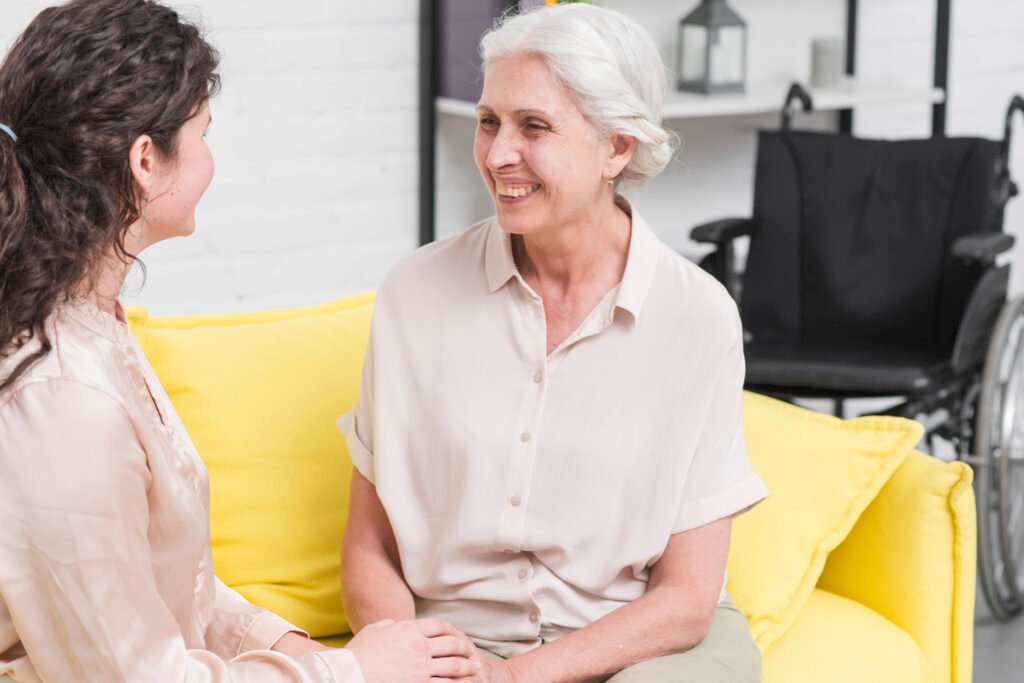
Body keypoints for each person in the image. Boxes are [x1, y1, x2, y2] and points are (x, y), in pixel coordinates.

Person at [0, 1, 480, 681]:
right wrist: (355, 673)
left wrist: (309, 652)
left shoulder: (93, 322)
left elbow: (173, 587)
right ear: (146, 160)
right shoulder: (63, 398)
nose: (209, 158)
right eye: (203, 133)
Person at [339, 4, 769, 682]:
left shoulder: (697, 315)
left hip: (643, 641)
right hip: (461, 641)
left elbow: (687, 599)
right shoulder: (413, 294)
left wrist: (516, 677)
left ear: (617, 147)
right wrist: (413, 660)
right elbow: (369, 548)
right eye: (489, 121)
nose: (497, 154)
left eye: (533, 126)